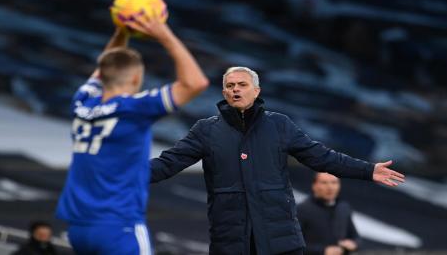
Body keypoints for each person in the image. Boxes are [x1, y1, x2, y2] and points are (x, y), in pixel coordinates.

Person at [150, 66, 405, 255]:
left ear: (257, 90)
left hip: (280, 242)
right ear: (224, 92)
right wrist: (121, 176)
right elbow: (168, 163)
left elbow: (322, 158)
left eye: (242, 84)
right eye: (230, 86)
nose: (235, 89)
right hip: (230, 243)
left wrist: (367, 170)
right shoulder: (206, 130)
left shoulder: (279, 125)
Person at [55, 13, 209, 255]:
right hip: (118, 227)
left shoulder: (82, 104)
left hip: (78, 227)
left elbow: (103, 68)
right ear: (137, 77)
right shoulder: (134, 108)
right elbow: (195, 82)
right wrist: (164, 34)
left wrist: (121, 32)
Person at [298, 173, 360, 255]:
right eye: (324, 183)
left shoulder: (343, 207)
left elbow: (355, 236)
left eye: (334, 182)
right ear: (314, 186)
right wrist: (322, 251)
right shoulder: (302, 209)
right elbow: (294, 245)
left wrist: (354, 244)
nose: (330, 187)